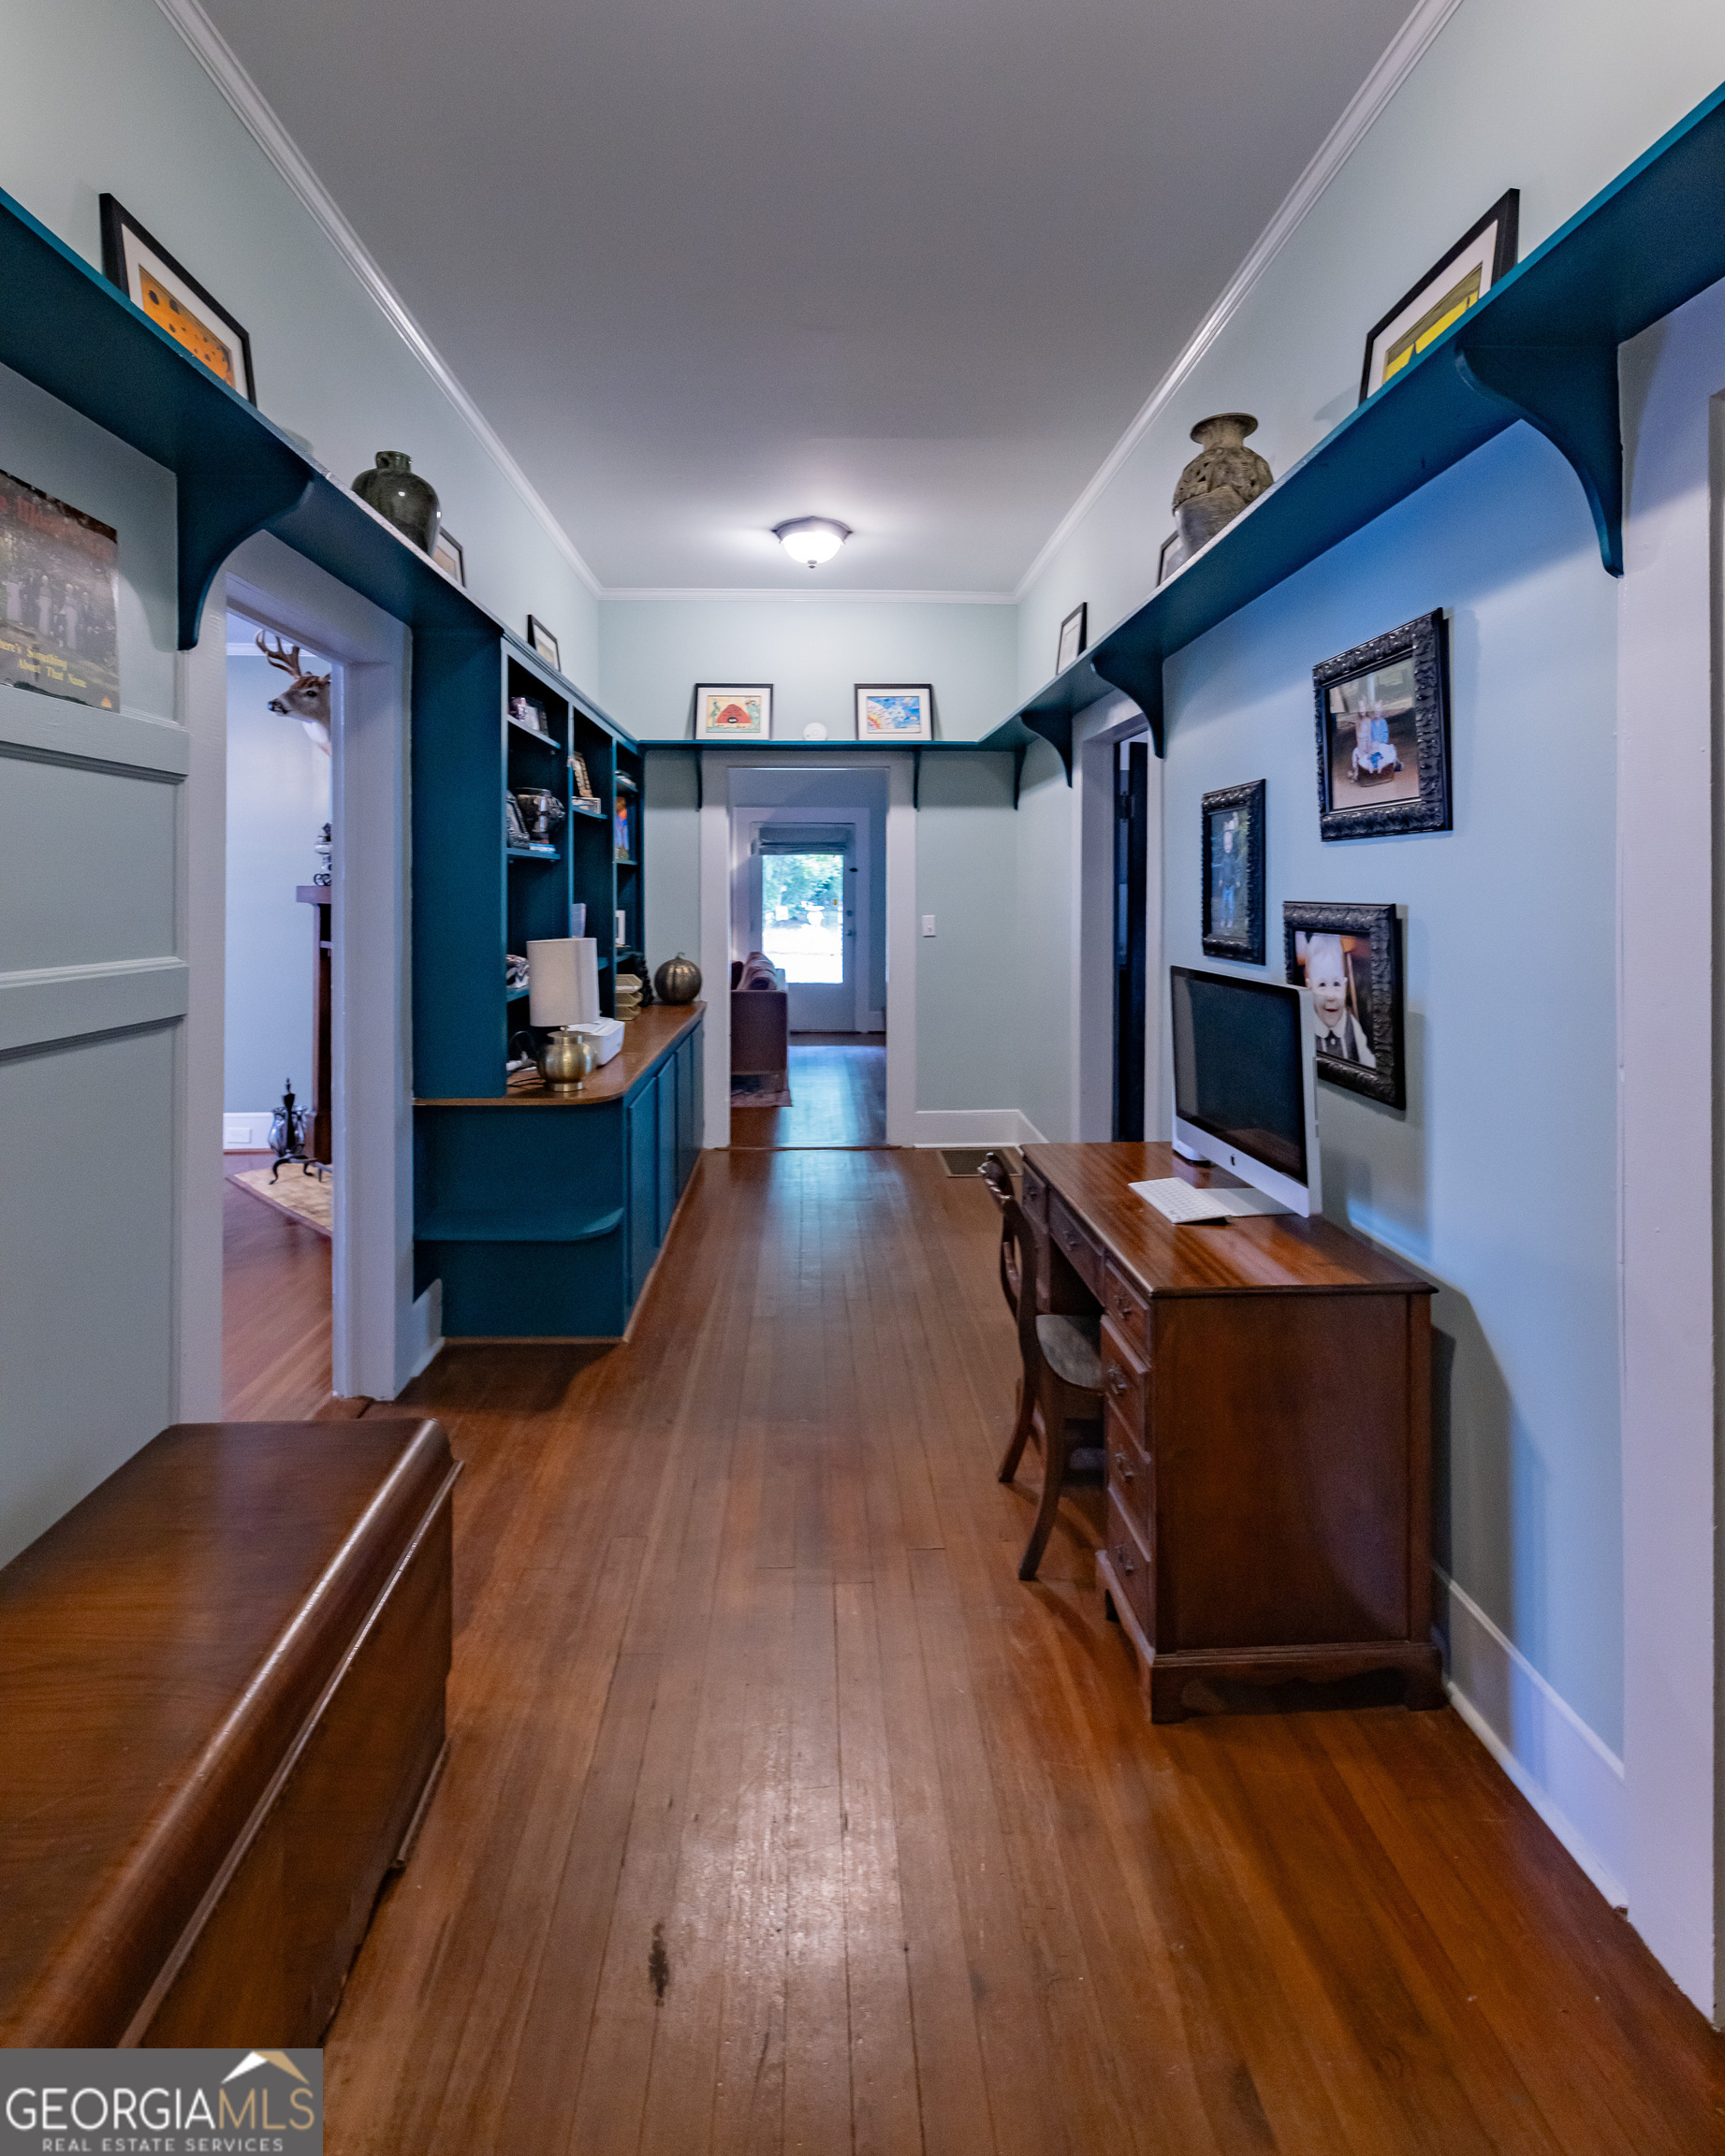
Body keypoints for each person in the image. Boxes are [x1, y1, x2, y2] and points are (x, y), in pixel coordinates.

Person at [1303, 933, 1376, 1066]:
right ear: (1310, 988)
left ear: (1345, 985)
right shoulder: (1304, 1026)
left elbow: (1368, 1061)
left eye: (1336, 984)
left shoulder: (1351, 1024)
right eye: (1322, 985)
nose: (1331, 996)